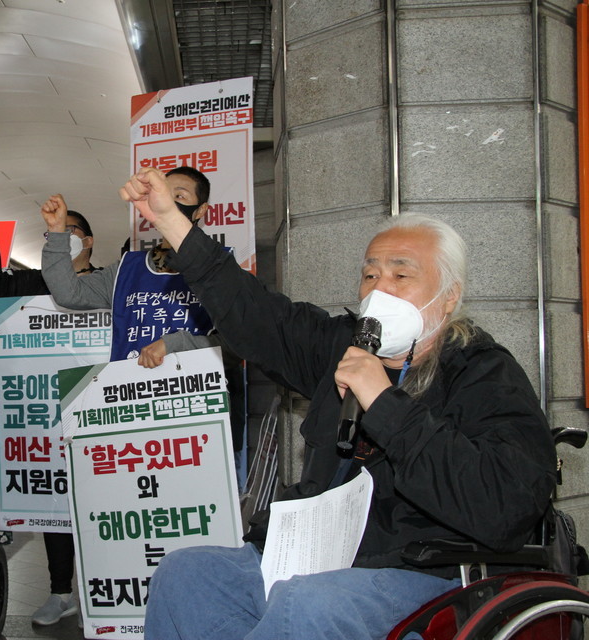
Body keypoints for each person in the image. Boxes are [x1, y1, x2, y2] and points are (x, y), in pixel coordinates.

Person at [118, 167, 558, 639]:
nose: (378, 288)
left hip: (419, 570)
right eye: (369, 274)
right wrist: (171, 222)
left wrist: (384, 402)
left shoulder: (482, 372)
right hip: (313, 552)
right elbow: (259, 316)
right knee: (187, 575)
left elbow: (504, 504)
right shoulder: (342, 347)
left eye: (400, 274)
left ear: (448, 297)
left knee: (305, 604)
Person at [0, 196, 101, 627]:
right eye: (52, 233)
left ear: (89, 241)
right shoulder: (29, 285)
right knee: (56, 504)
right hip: (43, 413)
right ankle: (61, 592)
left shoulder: (111, 283)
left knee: (100, 505)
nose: (62, 238)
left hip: (96, 410)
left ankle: (104, 591)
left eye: (71, 232)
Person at [40, 167, 221, 364]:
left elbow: (238, 345)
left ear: (200, 210)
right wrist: (57, 233)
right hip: (131, 389)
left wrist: (175, 344)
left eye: (180, 196)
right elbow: (69, 294)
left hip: (191, 389)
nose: (169, 203)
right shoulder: (126, 270)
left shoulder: (220, 267)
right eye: (165, 195)